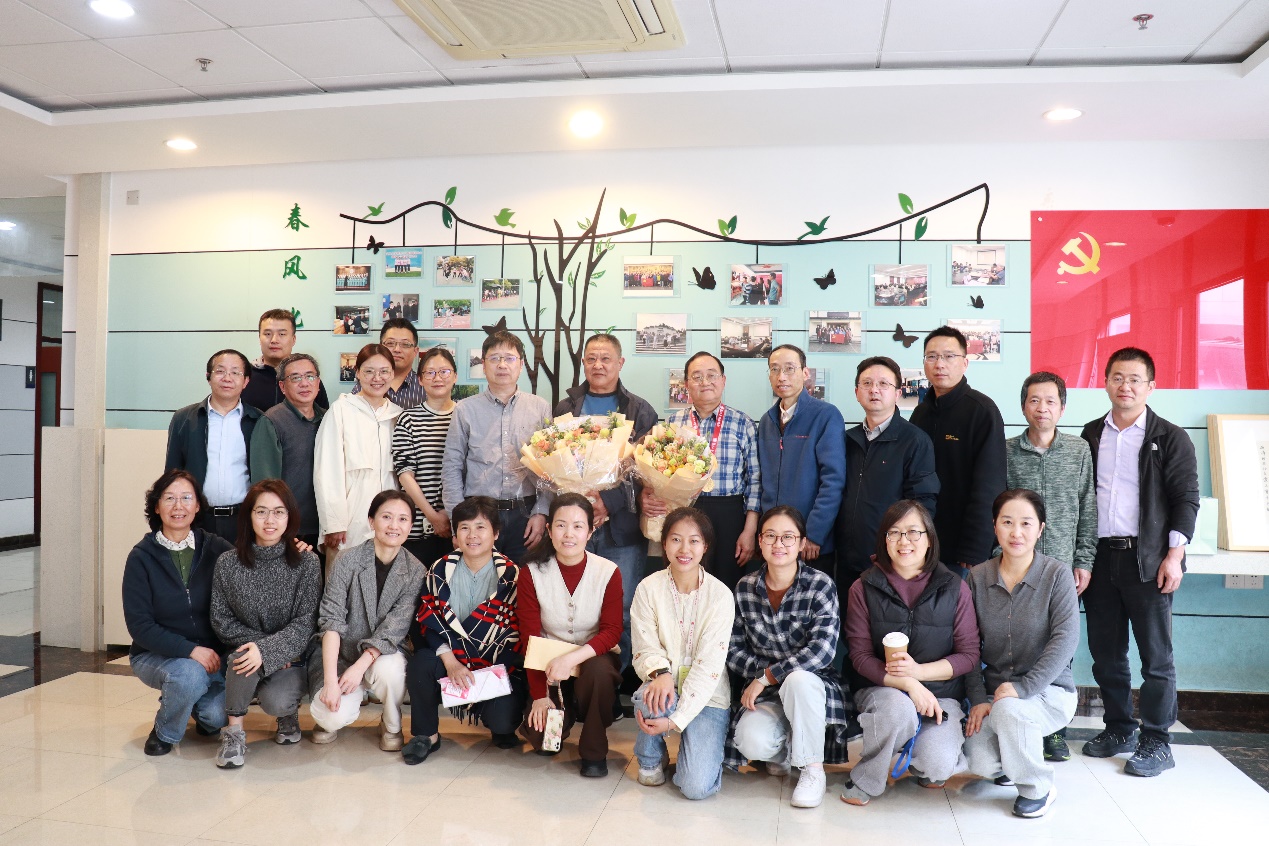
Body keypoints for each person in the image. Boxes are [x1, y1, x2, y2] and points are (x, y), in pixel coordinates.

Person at [1079, 347, 1199, 777]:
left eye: (1134, 379)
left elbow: (1186, 499)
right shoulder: (1091, 434)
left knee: (1156, 658)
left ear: (1151, 386)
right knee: (1106, 655)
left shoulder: (1170, 437)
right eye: (1117, 377)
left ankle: (1157, 740)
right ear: (1105, 382)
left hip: (1148, 560)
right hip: (1100, 559)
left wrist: (1174, 556)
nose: (1125, 386)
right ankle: (1119, 728)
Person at [841, 500, 980, 806]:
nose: (904, 541)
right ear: (884, 540)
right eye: (894, 533)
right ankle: (867, 777)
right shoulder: (863, 587)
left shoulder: (955, 587)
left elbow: (969, 655)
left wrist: (920, 673)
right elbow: (860, 657)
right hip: (883, 689)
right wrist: (909, 683)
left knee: (938, 764)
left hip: (940, 694)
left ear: (929, 539)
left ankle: (922, 754)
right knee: (897, 710)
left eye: (914, 532)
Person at [964, 489, 1080, 818]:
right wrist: (978, 698)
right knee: (979, 760)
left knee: (1010, 711)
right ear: (995, 526)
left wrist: (1023, 687)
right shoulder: (977, 577)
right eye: (1007, 522)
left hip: (1050, 691)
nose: (1016, 532)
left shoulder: (1057, 575)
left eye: (1026, 523)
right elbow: (967, 645)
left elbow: (1066, 638)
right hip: (996, 694)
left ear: (1040, 529)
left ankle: (1038, 788)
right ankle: (1013, 759)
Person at [726, 506, 849, 809]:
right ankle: (787, 751)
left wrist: (768, 675)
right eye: (770, 536)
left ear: (802, 543)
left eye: (788, 537)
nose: (778, 544)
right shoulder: (745, 588)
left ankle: (812, 770)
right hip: (766, 692)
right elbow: (733, 650)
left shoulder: (820, 585)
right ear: (759, 540)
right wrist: (764, 678)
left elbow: (823, 650)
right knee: (750, 740)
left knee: (798, 680)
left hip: (811, 687)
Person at [1006, 370, 1097, 762]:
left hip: (1062, 568)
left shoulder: (1078, 450)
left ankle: (1054, 730)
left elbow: (1088, 508)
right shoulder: (1006, 451)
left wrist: (1084, 560)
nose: (1041, 408)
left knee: (1060, 647)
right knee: (1016, 643)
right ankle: (1015, 721)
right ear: (1023, 405)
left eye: (1050, 401)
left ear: (1062, 407)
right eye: (1034, 400)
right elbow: (996, 509)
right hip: (1014, 567)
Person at [553, 333, 658, 670]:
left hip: (621, 531)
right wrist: (582, 503)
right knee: (572, 608)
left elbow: (648, 472)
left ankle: (613, 682)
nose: (598, 365)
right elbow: (554, 463)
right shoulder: (566, 408)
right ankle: (574, 680)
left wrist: (607, 501)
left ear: (620, 363)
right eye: (591, 358)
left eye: (606, 358)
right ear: (583, 362)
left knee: (622, 608)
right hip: (574, 528)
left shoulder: (640, 410)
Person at [404, 496, 525, 764]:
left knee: (503, 721)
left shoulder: (512, 575)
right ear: (455, 535)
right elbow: (429, 621)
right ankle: (426, 735)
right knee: (422, 663)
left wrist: (485, 675)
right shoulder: (440, 569)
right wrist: (452, 664)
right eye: (464, 528)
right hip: (451, 659)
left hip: (495, 665)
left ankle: (497, 723)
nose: (472, 535)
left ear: (495, 533)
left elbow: (516, 632)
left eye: (481, 527)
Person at [209, 480, 321, 768]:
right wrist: (262, 648)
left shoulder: (307, 563)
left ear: (290, 517)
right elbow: (221, 620)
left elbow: (306, 623)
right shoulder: (227, 563)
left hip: (292, 656)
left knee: (276, 701)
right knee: (242, 658)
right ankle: (234, 735)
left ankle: (287, 714)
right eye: (261, 512)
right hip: (245, 651)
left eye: (278, 512)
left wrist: (273, 651)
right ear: (249, 516)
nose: (270, 521)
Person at [123, 469, 233, 756]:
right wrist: (190, 650)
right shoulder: (141, 558)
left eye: (186, 498)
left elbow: (254, 566)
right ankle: (165, 732)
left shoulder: (216, 548)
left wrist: (292, 548)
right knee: (189, 675)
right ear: (156, 507)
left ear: (197, 506)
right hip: (155, 654)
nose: (178, 506)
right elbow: (140, 626)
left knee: (216, 717)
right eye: (169, 498)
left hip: (211, 657)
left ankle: (183, 697)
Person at [629, 507, 734, 800]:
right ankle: (651, 758)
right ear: (664, 544)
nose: (684, 549)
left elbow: (709, 666)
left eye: (694, 541)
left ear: (705, 546)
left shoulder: (720, 595)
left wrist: (676, 721)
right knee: (652, 695)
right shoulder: (649, 588)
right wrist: (661, 673)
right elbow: (645, 644)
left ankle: (690, 745)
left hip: (708, 694)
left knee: (695, 788)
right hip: (664, 684)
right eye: (676, 539)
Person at [309, 490, 426, 750]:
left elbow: (394, 628)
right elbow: (331, 620)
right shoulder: (346, 560)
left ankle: (391, 725)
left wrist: (360, 667)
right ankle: (331, 712)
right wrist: (330, 682)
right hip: (341, 652)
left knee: (390, 670)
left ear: (410, 526)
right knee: (330, 716)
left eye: (403, 519)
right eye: (386, 517)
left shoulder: (416, 570)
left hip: (383, 653)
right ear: (372, 521)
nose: (394, 525)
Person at [517, 494, 624, 778]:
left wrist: (572, 659)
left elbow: (612, 630)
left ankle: (594, 750)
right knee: (544, 742)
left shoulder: (608, 572)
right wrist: (539, 696)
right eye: (561, 525)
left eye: (578, 526)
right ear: (549, 530)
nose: (569, 534)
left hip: (594, 659)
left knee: (599, 672)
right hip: (548, 666)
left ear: (590, 531)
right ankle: (566, 709)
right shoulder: (531, 573)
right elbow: (529, 639)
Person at [834, 355, 939, 604]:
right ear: (857, 392)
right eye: (867, 383)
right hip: (845, 560)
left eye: (883, 384)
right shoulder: (846, 440)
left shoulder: (915, 441)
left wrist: (905, 549)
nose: (874, 390)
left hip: (891, 561)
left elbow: (923, 504)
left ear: (898, 393)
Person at [442, 330, 552, 566]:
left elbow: (550, 467)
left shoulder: (540, 408)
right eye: (494, 358)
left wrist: (542, 512)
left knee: (522, 582)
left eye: (509, 358)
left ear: (520, 365)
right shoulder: (465, 410)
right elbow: (451, 467)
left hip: (526, 515)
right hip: (478, 515)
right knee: (481, 581)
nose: (502, 365)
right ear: (483, 365)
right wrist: (458, 522)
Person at [661, 351, 761, 591]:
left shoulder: (743, 423)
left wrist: (749, 531)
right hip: (685, 510)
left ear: (723, 381)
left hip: (730, 513)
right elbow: (662, 476)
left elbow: (755, 481)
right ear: (686, 385)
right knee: (685, 582)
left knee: (727, 584)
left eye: (712, 375)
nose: (704, 382)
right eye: (697, 377)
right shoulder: (673, 424)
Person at [909, 326, 1006, 571]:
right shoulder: (920, 413)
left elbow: (989, 486)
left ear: (965, 363)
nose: (939, 364)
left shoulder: (982, 411)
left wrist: (974, 547)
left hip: (963, 549)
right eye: (932, 356)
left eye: (949, 356)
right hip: (920, 543)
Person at [165, 349, 273, 543]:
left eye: (235, 372)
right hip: (197, 519)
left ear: (246, 381)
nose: (227, 378)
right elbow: (172, 474)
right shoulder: (184, 419)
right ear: (208, 377)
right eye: (220, 371)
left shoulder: (258, 420)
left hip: (243, 520)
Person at [757, 344, 846, 569]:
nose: (781, 376)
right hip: (773, 540)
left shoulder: (826, 415)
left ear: (805, 373)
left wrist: (814, 533)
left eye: (789, 368)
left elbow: (833, 481)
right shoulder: (766, 421)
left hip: (809, 543)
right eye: (774, 369)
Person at [315, 343, 402, 556]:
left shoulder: (398, 416)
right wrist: (333, 523)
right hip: (349, 523)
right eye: (369, 371)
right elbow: (327, 470)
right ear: (357, 373)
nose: (377, 378)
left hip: (391, 524)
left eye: (384, 371)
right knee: (345, 573)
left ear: (392, 374)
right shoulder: (341, 410)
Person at [251, 353, 325, 551]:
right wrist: (281, 531)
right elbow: (265, 485)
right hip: (289, 532)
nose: (304, 383)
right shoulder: (272, 421)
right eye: (295, 378)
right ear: (283, 387)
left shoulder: (328, 419)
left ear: (318, 383)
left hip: (326, 529)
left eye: (310, 376)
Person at [394, 347, 460, 567]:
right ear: (420, 380)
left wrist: (451, 516)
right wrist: (433, 517)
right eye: (430, 373)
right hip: (418, 528)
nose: (437, 378)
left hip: (459, 525)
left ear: (455, 376)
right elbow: (405, 474)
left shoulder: (465, 415)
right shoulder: (408, 419)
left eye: (444, 371)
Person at [241, 308, 330, 413]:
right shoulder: (244, 376)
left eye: (282, 334)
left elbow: (324, 418)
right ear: (259, 338)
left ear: (293, 339)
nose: (274, 340)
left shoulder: (308, 380)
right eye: (268, 334)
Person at [354, 317, 426, 409]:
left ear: (415, 351)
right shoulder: (364, 385)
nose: (397, 349)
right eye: (390, 343)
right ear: (380, 347)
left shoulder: (426, 388)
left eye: (405, 344)